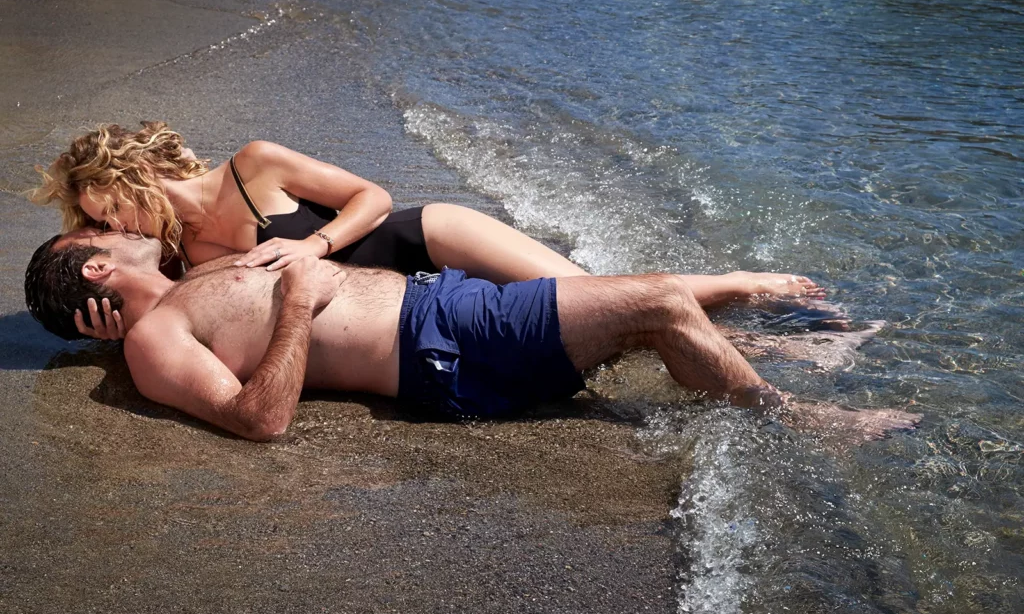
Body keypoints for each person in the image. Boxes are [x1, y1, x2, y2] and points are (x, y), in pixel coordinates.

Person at [24, 227, 921, 444]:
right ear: (98, 268)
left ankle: (795, 349)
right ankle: (800, 418)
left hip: (447, 314)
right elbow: (259, 420)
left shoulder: (181, 285)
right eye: (96, 232)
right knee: (654, 302)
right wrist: (298, 299)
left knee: (642, 311)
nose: (111, 222)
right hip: (444, 350)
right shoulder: (153, 344)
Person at [30, 121, 827, 340]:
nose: (113, 227)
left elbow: (372, 198)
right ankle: (751, 329)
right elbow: (176, 313)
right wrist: (113, 324)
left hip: (429, 240)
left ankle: (746, 286)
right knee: (598, 317)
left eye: (109, 210)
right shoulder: (169, 253)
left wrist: (311, 245)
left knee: (582, 294)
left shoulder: (254, 164)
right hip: (408, 310)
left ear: (129, 176)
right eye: (100, 227)